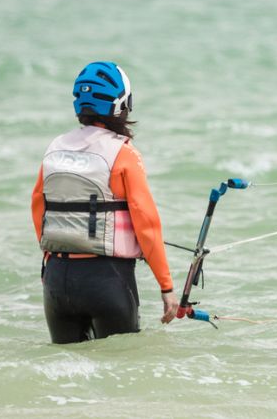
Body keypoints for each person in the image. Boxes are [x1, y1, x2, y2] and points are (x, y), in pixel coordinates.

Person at [31, 61, 178, 343]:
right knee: (122, 374)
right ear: (122, 104)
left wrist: (50, 263)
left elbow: (38, 207)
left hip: (56, 281)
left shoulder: (55, 147)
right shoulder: (123, 153)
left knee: (64, 377)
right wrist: (166, 287)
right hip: (106, 280)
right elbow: (146, 222)